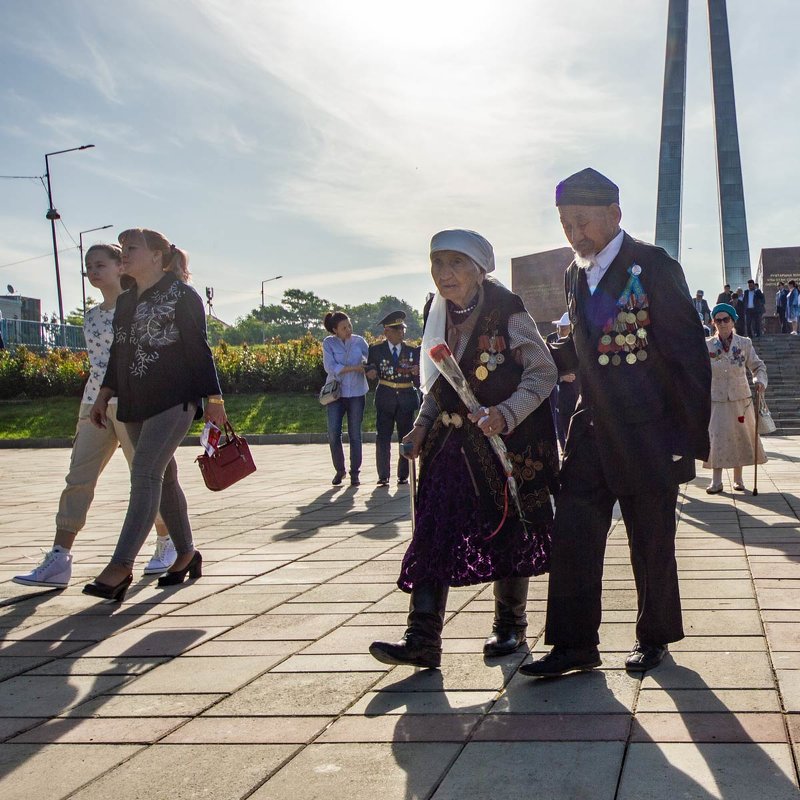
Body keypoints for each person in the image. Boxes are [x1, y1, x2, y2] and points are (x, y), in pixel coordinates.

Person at [521, 168, 711, 678]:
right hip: (590, 428)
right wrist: (537, 360)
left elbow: (689, 355)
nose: (575, 233)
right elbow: (583, 348)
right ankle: (573, 644)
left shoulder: (652, 265)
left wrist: (686, 439)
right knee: (575, 535)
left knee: (651, 539)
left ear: (614, 215)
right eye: (565, 223)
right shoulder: (574, 273)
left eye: (583, 221)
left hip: (648, 430)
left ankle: (654, 637)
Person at [369, 229, 559, 668]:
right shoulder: (437, 312)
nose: (444, 274)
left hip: (503, 445)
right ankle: (422, 638)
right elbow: (441, 382)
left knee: (508, 528)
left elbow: (543, 371)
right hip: (449, 446)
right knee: (432, 529)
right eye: (438, 263)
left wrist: (507, 413)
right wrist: (419, 427)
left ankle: (510, 626)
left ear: (479, 269)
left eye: (456, 263)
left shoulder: (507, 310)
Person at [13, 244, 177, 589]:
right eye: (89, 266)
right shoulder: (91, 315)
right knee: (78, 478)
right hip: (94, 405)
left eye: (100, 264)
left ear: (121, 267)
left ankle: (167, 542)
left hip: (135, 405)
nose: (93, 271)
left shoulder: (139, 306)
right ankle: (60, 557)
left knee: (147, 478)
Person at [83, 229, 226, 602]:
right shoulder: (127, 300)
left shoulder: (182, 295)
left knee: (145, 472)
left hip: (174, 398)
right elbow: (119, 354)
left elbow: (199, 349)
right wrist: (104, 395)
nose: (124, 254)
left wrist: (214, 399)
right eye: (124, 248)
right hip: (133, 401)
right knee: (163, 478)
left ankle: (120, 566)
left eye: (131, 248)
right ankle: (186, 553)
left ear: (158, 257)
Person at [704, 303, 767, 494]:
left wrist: (759, 379)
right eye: (718, 320)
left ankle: (738, 479)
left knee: (740, 436)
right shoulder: (706, 344)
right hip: (716, 397)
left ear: (733, 321)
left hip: (741, 397)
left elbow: (758, 366)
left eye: (726, 320)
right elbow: (698, 370)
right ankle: (716, 481)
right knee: (717, 437)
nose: (722, 324)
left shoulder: (744, 343)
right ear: (713, 322)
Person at [365, 311, 420, 486]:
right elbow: (370, 367)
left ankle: (403, 474)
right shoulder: (376, 350)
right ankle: (383, 475)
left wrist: (417, 373)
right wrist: (370, 372)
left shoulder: (412, 351)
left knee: (406, 437)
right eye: (396, 330)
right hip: (386, 397)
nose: (401, 333)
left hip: (406, 397)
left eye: (402, 329)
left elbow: (418, 379)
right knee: (383, 437)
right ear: (386, 331)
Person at [322, 311, 369, 486]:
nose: (348, 330)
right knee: (333, 433)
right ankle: (339, 470)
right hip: (336, 394)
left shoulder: (359, 341)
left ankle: (355, 472)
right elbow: (330, 367)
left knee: (355, 434)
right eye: (343, 328)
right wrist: (353, 368)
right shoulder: (329, 343)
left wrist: (362, 367)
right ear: (335, 330)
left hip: (357, 393)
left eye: (349, 325)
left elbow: (366, 361)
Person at [546, 312, 579, 450]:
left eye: (563, 327)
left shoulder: (577, 341)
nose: (560, 330)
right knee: (559, 420)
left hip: (575, 390)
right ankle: (564, 449)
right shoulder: (551, 340)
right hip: (558, 389)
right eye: (559, 327)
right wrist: (560, 377)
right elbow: (548, 367)